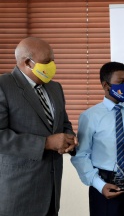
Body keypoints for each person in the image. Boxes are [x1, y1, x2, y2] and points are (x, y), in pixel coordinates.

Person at [0, 37, 78, 216]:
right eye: (47, 61)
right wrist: (46, 143)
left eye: (53, 60)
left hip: (51, 191)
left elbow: (63, 123)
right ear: (27, 62)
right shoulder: (3, 86)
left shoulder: (55, 88)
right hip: (18, 194)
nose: (52, 65)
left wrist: (69, 137)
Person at [71, 61, 124, 216]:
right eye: (121, 82)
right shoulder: (90, 116)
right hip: (104, 185)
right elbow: (81, 155)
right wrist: (99, 184)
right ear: (106, 85)